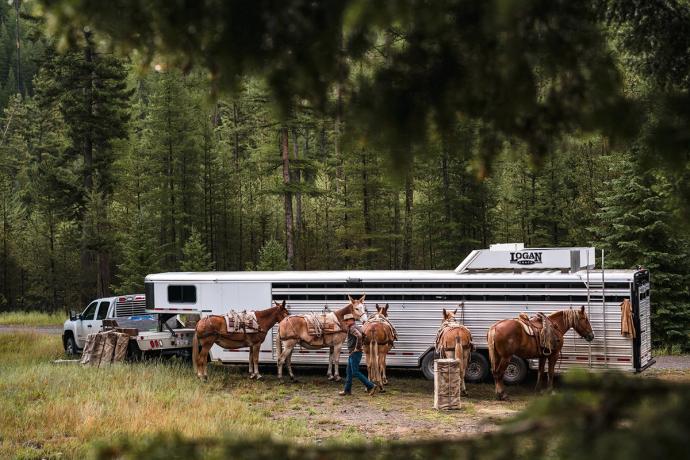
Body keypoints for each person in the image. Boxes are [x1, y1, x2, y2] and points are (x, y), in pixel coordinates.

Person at [339, 313, 378, 396]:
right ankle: (347, 390)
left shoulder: (352, 328)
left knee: (355, 372)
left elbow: (360, 336)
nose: (346, 322)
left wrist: (357, 348)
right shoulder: (356, 327)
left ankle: (371, 385)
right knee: (349, 371)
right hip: (353, 353)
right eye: (345, 320)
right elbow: (365, 336)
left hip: (355, 353)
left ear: (352, 320)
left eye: (347, 320)